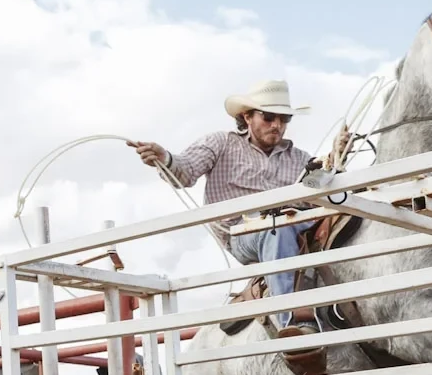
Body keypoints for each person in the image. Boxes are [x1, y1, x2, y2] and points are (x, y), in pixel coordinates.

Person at [130, 78, 316, 332]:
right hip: (245, 234)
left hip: (297, 225)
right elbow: (185, 171)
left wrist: (335, 167)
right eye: (269, 117)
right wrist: (165, 158)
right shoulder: (221, 143)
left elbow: (324, 191)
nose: (277, 125)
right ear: (247, 117)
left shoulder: (301, 159)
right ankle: (289, 324)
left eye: (285, 119)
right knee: (277, 229)